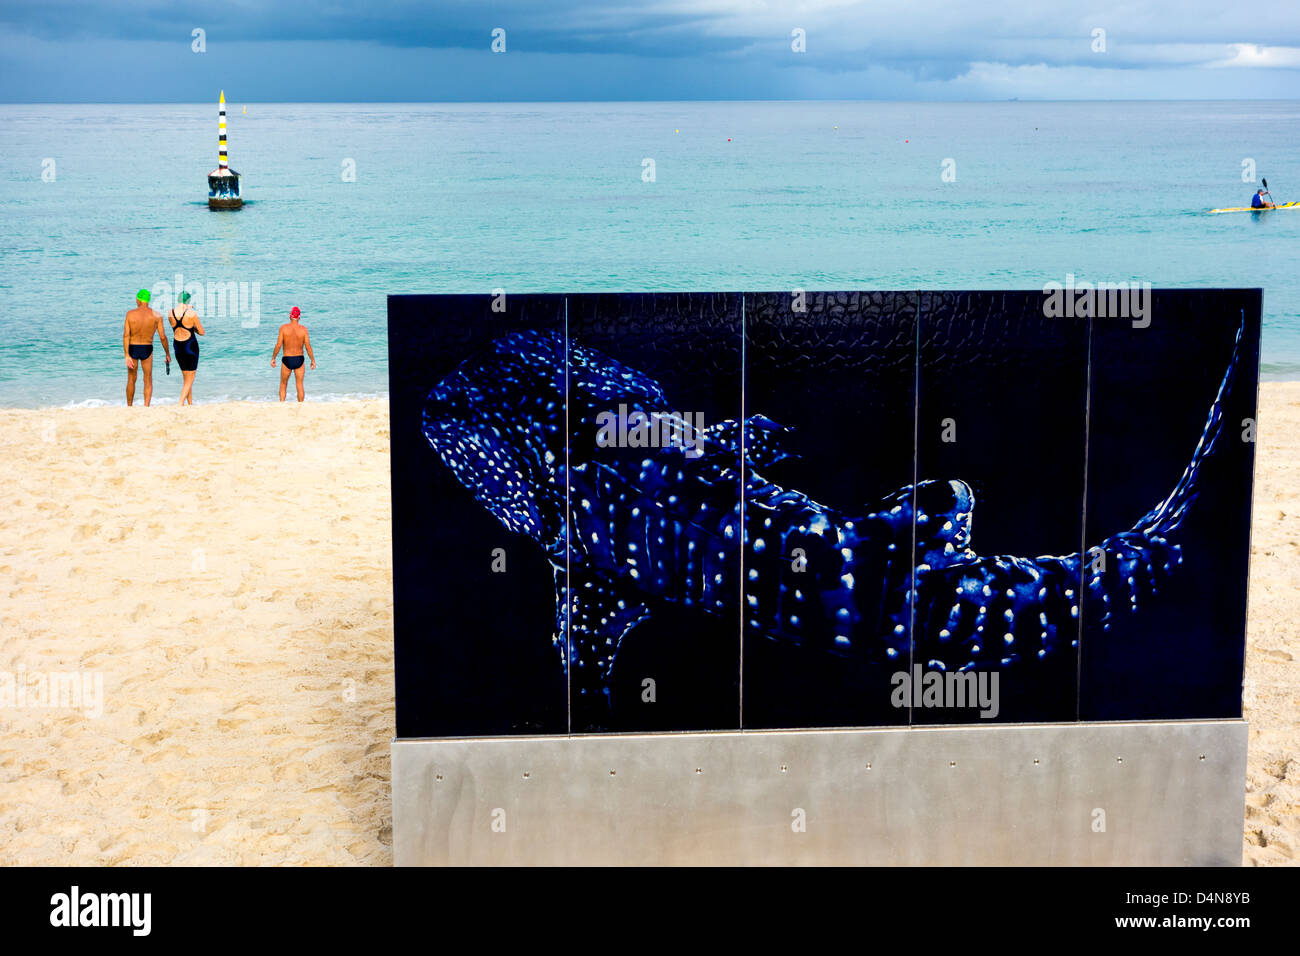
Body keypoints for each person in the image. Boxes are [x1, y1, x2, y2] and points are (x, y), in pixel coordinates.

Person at [123, 289, 170, 406]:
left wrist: (127, 355)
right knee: (147, 379)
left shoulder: (130, 314)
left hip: (133, 348)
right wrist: (167, 353)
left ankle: (129, 406)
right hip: (147, 348)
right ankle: (146, 406)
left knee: (131, 379)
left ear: (138, 299)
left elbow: (126, 335)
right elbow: (163, 337)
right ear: (148, 300)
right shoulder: (157, 315)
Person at [272, 306, 315, 402]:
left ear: (290, 316)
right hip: (299, 359)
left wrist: (273, 358)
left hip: (287, 359)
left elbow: (278, 345)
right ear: (299, 317)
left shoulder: (283, 328)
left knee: (283, 384)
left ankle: (282, 404)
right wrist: (312, 360)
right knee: (299, 385)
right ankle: (300, 406)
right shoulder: (304, 330)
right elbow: (308, 347)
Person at [169, 291, 205, 406]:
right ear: (188, 301)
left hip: (177, 346)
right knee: (191, 376)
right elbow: (202, 332)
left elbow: (178, 322)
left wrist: (187, 308)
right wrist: (192, 327)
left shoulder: (170, 313)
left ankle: (190, 404)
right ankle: (180, 403)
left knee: (186, 377)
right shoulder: (191, 313)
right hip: (190, 346)